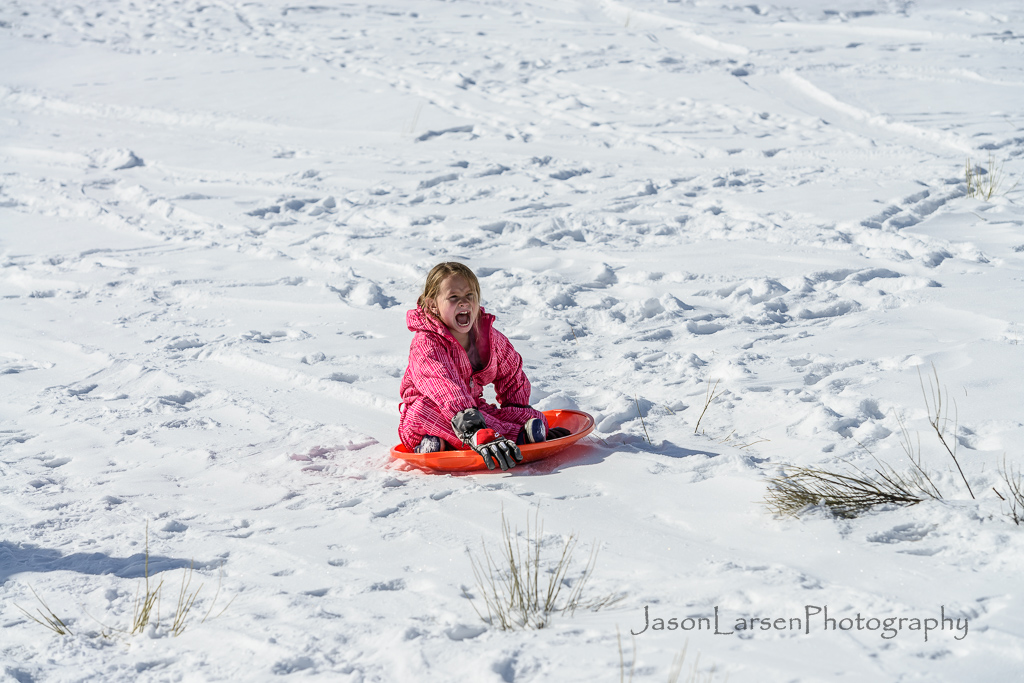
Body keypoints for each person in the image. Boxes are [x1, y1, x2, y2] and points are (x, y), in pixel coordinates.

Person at [398, 262, 569, 470]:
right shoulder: (426, 343)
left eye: (469, 295)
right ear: (433, 305)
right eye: (454, 297)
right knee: (424, 411)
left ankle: (441, 444)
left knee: (530, 416)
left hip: (471, 409)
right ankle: (516, 437)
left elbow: (511, 373)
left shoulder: (486, 338)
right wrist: (472, 426)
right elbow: (444, 386)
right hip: (427, 415)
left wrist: (518, 409)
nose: (464, 302)